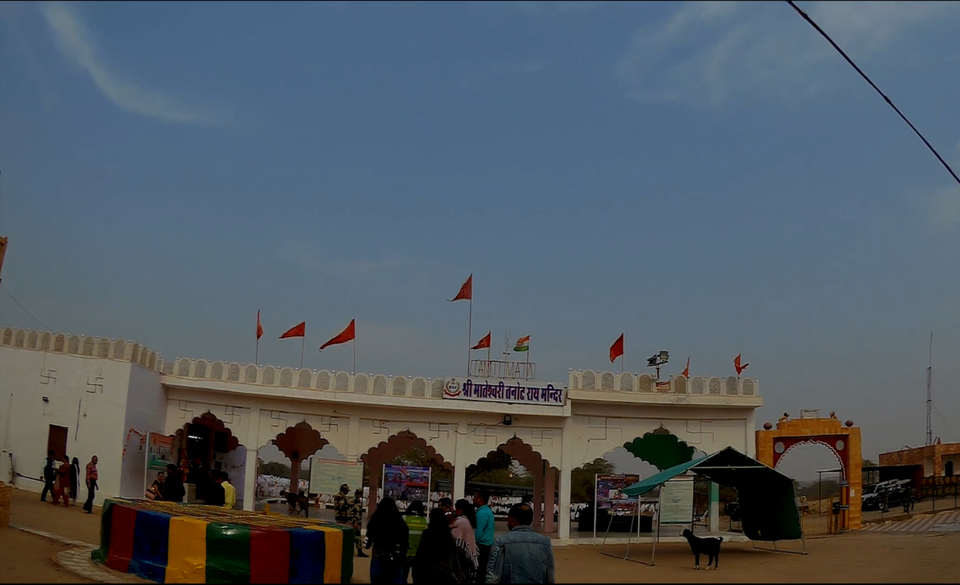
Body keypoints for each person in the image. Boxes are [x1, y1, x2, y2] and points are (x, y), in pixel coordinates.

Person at [486, 504, 555, 584]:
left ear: (513, 520)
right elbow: (550, 576)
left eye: (508, 519)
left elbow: (493, 577)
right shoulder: (545, 542)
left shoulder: (500, 541)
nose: (507, 523)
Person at [364, 497, 409, 584]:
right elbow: (405, 542)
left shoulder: (375, 521)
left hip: (378, 558)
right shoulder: (401, 523)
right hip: (396, 560)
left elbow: (367, 544)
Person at [412, 508, 462, 583]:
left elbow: (420, 555)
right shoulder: (448, 535)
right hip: (445, 572)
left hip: (427, 571)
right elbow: (454, 556)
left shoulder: (427, 534)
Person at [452, 499, 480, 583]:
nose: (454, 511)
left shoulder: (461, 522)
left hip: (461, 555)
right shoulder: (468, 520)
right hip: (468, 555)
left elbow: (454, 538)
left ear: (460, 509)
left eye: (456, 508)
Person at [402, 500, 428, 582]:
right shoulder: (426, 521)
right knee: (417, 578)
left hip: (405, 553)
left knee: (403, 577)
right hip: (420, 555)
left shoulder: (405, 519)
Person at [473, 491, 495, 583]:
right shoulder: (487, 511)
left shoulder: (481, 513)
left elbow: (478, 533)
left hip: (481, 545)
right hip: (488, 544)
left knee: (480, 570)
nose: (473, 499)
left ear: (480, 498)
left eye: (475, 497)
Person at [350, 489, 369, 558]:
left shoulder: (356, 501)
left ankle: (358, 552)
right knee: (356, 538)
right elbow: (354, 513)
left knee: (355, 538)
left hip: (356, 522)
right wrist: (355, 523)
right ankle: (359, 552)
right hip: (355, 523)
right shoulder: (354, 501)